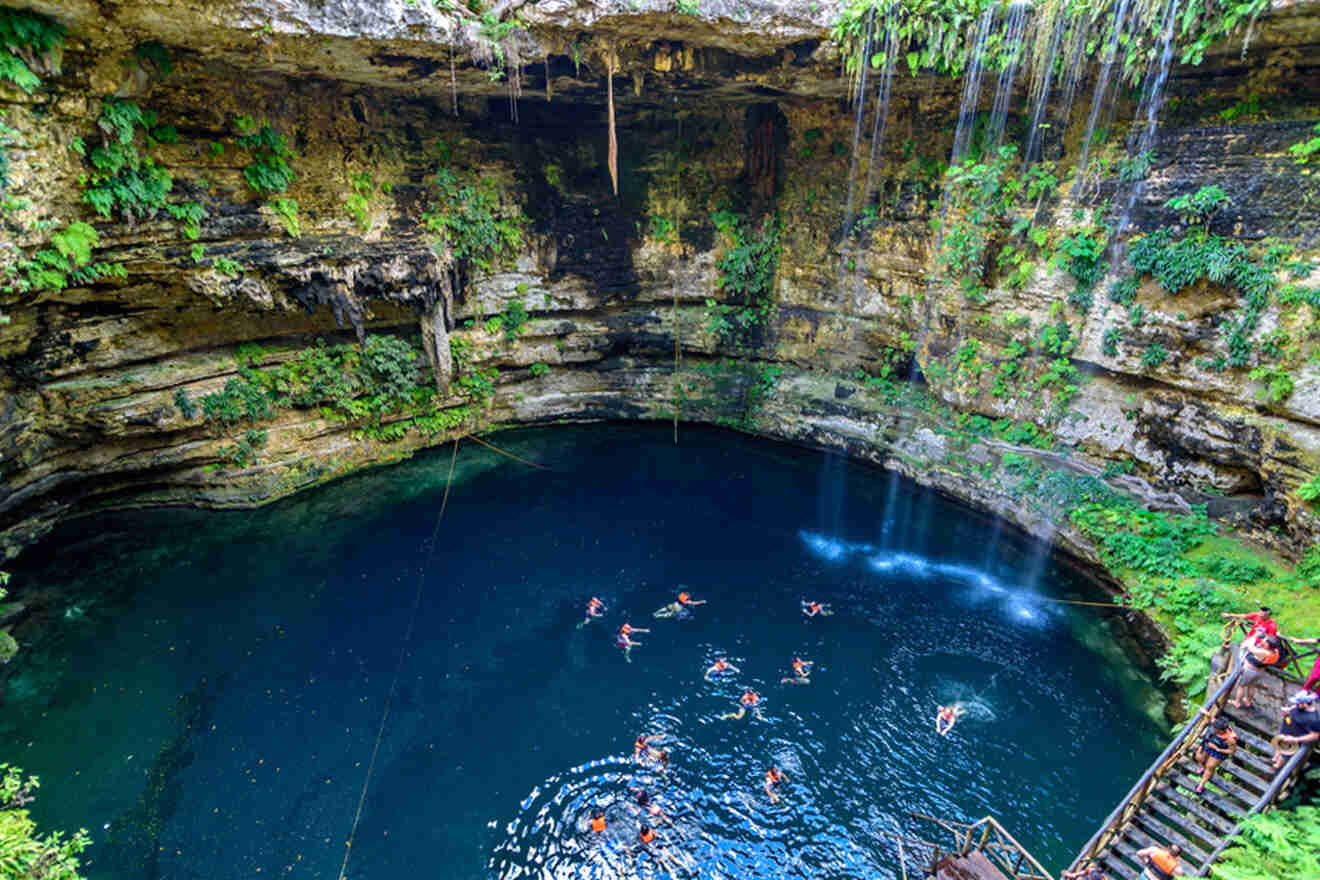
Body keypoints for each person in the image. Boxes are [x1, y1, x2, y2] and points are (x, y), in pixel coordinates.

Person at [1271, 690, 1320, 769]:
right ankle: (1274, 759)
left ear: (1305, 704)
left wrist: (1295, 739)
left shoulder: (1314, 719)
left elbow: (1315, 736)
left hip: (1292, 741)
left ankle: (1275, 768)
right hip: (1285, 734)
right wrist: (1287, 712)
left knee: (1282, 759)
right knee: (1278, 750)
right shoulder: (1299, 707)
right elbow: (1292, 710)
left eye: (1298, 703)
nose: (1296, 705)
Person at [1230, 634, 1280, 709]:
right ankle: (1248, 701)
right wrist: (1261, 645)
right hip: (1260, 672)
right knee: (1251, 685)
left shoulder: (1264, 653)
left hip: (1250, 671)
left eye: (1265, 641)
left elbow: (1249, 648)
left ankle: (1237, 702)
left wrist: (1255, 637)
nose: (1263, 641)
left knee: (1241, 686)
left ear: (1268, 645)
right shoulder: (1275, 652)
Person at [1194, 716, 1237, 794]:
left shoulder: (1230, 739)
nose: (1213, 729)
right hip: (1209, 744)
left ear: (1221, 730)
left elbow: (1232, 751)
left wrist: (1218, 749)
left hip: (1219, 751)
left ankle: (1201, 785)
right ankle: (1203, 768)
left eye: (1215, 729)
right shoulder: (1216, 724)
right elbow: (1209, 716)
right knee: (1201, 758)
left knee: (1210, 766)